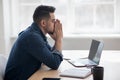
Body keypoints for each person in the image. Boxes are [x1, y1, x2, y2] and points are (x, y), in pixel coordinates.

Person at [4, 5, 63, 80]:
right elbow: (55, 63)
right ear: (43, 23)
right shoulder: (32, 37)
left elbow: (50, 56)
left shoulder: (35, 33)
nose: (55, 24)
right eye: (53, 21)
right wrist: (59, 39)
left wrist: (56, 40)